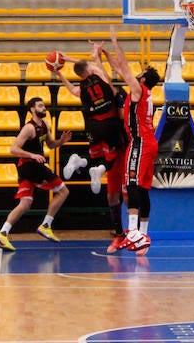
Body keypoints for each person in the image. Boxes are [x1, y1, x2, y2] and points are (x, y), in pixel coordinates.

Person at [54, 42, 128, 252]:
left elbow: (71, 89)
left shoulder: (81, 88)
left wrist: (61, 72)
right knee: (111, 162)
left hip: (93, 126)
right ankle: (99, 169)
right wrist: (96, 55)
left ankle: (82, 161)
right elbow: (96, 67)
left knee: (96, 157)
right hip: (111, 125)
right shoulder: (106, 82)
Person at [104, 25, 159, 256]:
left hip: (140, 142)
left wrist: (115, 42)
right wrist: (105, 55)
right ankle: (144, 237)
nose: (135, 74)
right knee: (144, 189)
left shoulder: (139, 90)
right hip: (149, 141)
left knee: (132, 184)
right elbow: (119, 68)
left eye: (140, 73)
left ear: (144, 78)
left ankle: (134, 232)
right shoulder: (145, 94)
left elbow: (124, 67)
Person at [0, 97, 72, 252]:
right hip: (31, 166)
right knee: (63, 191)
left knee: (25, 203)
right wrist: (32, 155)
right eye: (40, 106)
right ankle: (46, 225)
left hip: (27, 168)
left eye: (44, 106)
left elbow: (50, 145)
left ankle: (2, 233)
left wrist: (61, 141)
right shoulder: (28, 128)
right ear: (32, 109)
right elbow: (13, 149)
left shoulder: (45, 125)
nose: (44, 108)